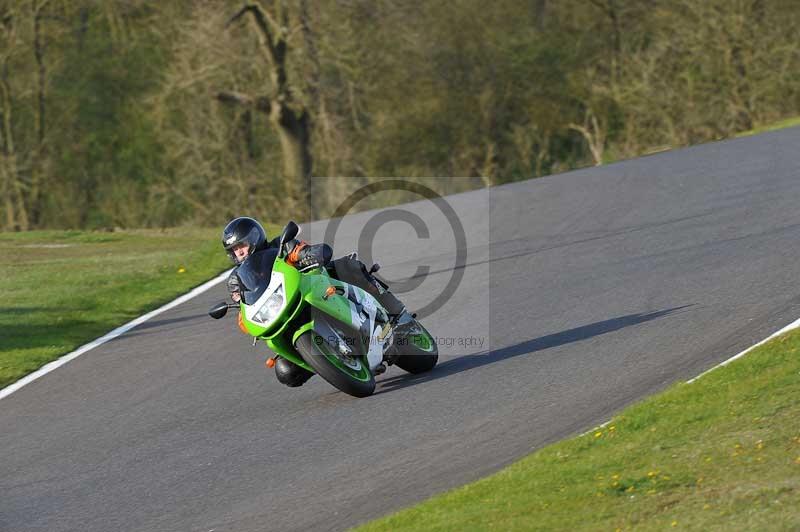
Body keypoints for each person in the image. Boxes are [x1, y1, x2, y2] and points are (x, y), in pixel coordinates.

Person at [221, 216, 408, 388]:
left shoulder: (281, 245)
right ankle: (330, 363)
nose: (240, 252)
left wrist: (308, 253)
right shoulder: (236, 278)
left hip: (313, 286)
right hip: (280, 309)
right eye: (235, 250)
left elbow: (299, 251)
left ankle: (396, 314)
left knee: (348, 266)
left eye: (241, 245)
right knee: (285, 371)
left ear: (254, 238)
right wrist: (243, 316)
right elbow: (242, 302)